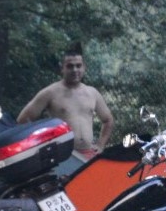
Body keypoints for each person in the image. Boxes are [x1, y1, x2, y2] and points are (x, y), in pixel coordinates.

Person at [18, 44, 114, 175]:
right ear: (62, 69)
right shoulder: (50, 92)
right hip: (64, 156)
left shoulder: (92, 93)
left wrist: (101, 145)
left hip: (89, 154)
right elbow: (23, 119)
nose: (75, 70)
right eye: (70, 66)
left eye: (78, 66)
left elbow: (108, 120)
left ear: (84, 68)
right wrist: (43, 145)